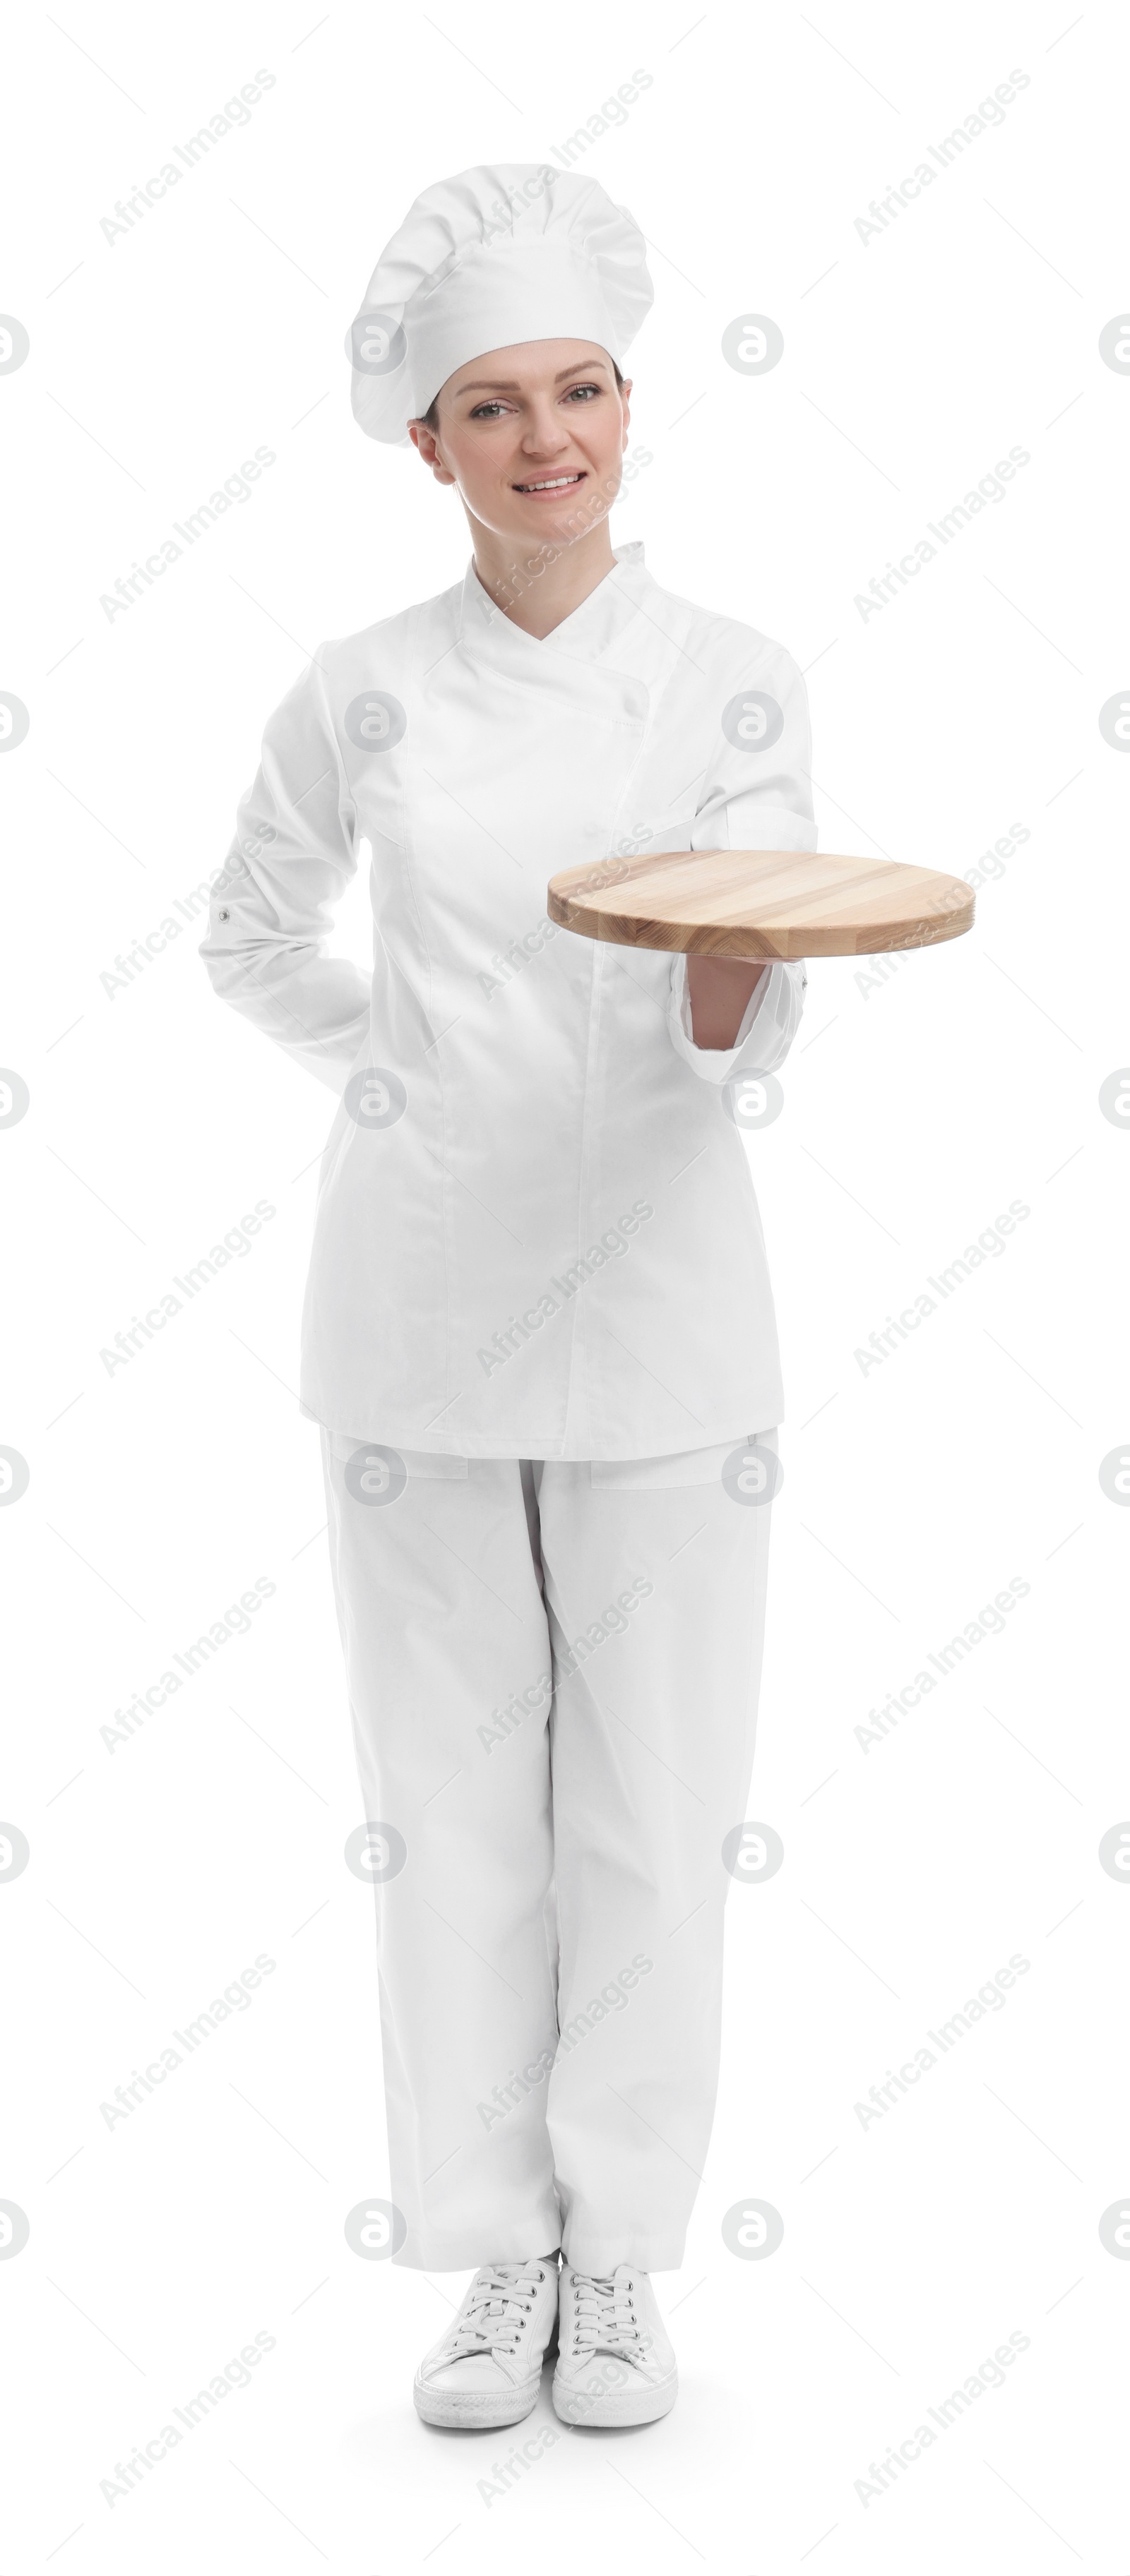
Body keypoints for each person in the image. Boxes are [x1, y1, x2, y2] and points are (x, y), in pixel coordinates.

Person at [199, 162, 816, 2433]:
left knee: (656, 1799)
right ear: (426, 447)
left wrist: (739, 987)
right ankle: (489, 2258)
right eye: (494, 403)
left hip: (666, 1309)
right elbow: (250, 939)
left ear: (631, 411)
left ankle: (624, 2257)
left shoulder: (737, 679)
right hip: (417, 1305)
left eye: (582, 390)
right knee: (446, 1804)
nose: (549, 435)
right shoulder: (354, 694)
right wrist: (411, 1069)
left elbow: (765, 1009)